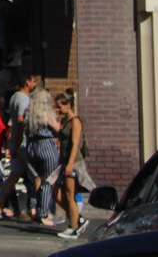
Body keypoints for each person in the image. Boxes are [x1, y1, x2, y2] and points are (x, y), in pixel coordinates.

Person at [0, 70, 38, 220]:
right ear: (27, 82)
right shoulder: (24, 99)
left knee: (13, 176)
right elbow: (20, 121)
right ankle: (36, 210)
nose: (35, 83)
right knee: (36, 176)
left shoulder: (14, 97)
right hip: (23, 144)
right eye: (33, 80)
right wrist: (18, 144)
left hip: (16, 143)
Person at [22, 86, 61, 228]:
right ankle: (44, 213)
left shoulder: (29, 114)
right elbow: (58, 129)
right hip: (46, 147)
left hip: (32, 148)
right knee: (47, 181)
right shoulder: (47, 114)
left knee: (35, 179)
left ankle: (33, 208)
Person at [54, 90, 89, 240]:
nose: (58, 110)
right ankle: (78, 219)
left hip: (73, 162)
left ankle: (74, 227)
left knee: (70, 195)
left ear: (69, 105)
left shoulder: (75, 122)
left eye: (60, 107)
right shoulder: (64, 122)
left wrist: (69, 164)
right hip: (63, 162)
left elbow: (75, 144)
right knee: (55, 192)